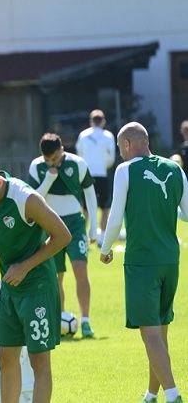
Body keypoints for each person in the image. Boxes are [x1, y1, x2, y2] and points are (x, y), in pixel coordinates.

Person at [0, 156, 70, 403]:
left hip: (38, 287)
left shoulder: (26, 199)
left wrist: (24, 266)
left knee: (39, 361)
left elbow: (63, 236)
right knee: (5, 358)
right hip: (10, 288)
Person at [100, 122, 187, 403]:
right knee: (160, 332)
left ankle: (173, 396)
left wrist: (105, 249)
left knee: (149, 334)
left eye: (119, 148)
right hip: (170, 261)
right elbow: (187, 214)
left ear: (126, 145)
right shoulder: (175, 169)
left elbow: (114, 218)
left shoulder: (125, 170)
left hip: (142, 263)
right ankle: (151, 394)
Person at [28, 133, 99, 338]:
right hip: (50, 225)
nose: (52, 162)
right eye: (47, 160)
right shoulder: (36, 166)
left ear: (62, 150)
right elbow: (34, 198)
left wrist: (93, 226)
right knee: (56, 277)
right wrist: (49, 178)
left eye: (55, 158)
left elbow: (90, 193)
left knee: (80, 268)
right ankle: (58, 319)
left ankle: (85, 320)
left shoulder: (77, 164)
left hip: (75, 224)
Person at [75, 109, 116, 246]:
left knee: (85, 209)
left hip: (86, 175)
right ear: (103, 122)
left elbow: (79, 154)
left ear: (91, 121)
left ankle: (83, 238)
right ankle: (102, 238)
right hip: (102, 175)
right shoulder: (108, 136)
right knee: (104, 207)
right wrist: (103, 166)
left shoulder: (83, 135)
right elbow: (111, 158)